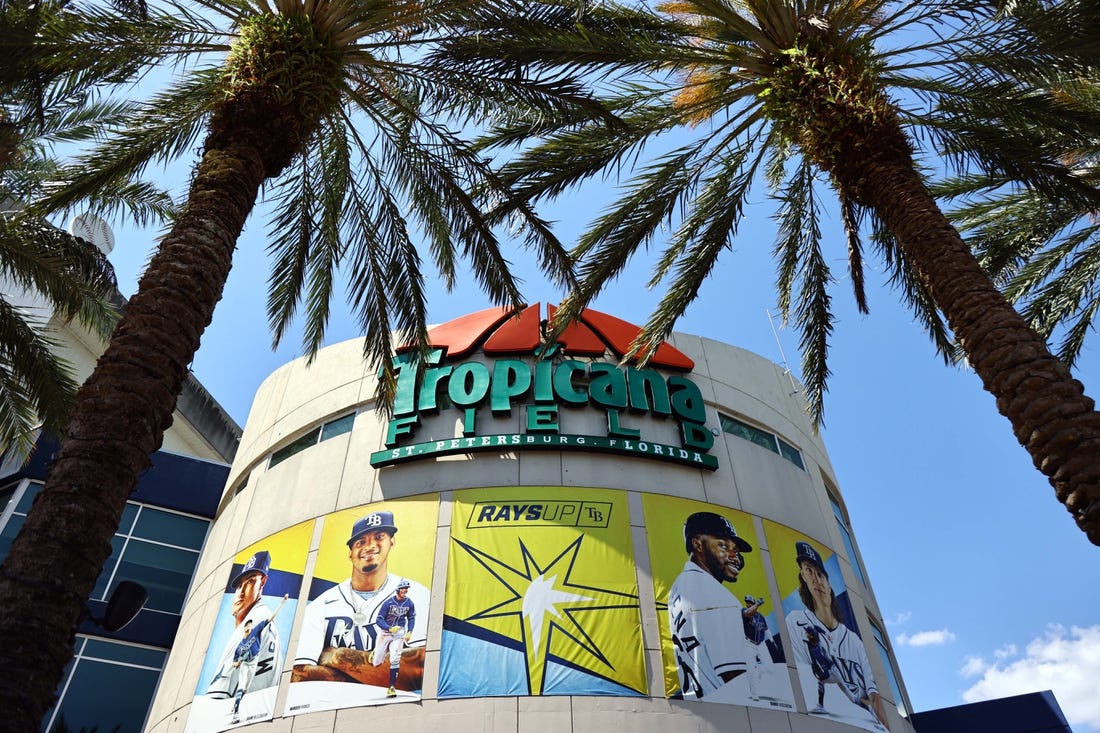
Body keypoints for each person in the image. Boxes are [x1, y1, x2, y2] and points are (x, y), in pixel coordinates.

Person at [292, 510, 430, 694]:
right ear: (350, 553)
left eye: (379, 537)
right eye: (361, 542)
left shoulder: (418, 595)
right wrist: (375, 674)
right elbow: (298, 676)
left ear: (392, 542)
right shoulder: (320, 606)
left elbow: (420, 669)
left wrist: (337, 656)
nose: (370, 546)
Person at [784, 541, 890, 730]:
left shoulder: (854, 641)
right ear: (803, 577)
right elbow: (805, 682)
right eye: (809, 571)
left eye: (820, 573)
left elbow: (875, 696)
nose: (816, 579)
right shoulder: (796, 621)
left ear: (829, 582)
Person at [667, 511, 755, 700]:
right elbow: (736, 680)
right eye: (723, 545)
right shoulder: (718, 595)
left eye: (736, 550)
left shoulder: (678, 588)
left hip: (701, 704)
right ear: (697, 544)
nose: (734, 557)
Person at [206, 551, 284, 710]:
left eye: (249, 582)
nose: (240, 593)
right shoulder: (264, 618)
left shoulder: (252, 623)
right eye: (239, 586)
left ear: (262, 583)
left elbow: (215, 701)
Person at [370, 579, 416, 697]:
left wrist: (410, 631)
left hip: (398, 633)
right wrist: (389, 628)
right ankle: (377, 652)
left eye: (406, 588)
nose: (405, 590)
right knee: (376, 662)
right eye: (403, 588)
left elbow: (411, 618)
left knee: (395, 659)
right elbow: (379, 620)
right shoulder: (388, 603)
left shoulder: (409, 603)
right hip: (386, 632)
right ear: (398, 589)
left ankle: (391, 687)